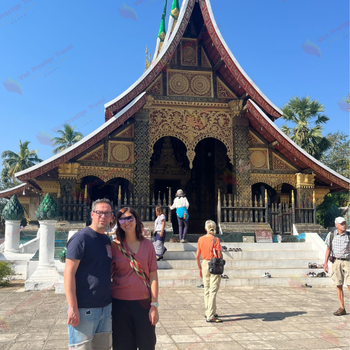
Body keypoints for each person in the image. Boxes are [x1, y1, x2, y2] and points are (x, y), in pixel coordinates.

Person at [64, 198, 114, 349]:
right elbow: (68, 273)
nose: (103, 216)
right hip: (85, 308)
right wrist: (72, 307)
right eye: (99, 213)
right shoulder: (81, 238)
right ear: (92, 214)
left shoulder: (106, 240)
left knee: (103, 347)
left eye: (107, 213)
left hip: (105, 307)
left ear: (112, 217)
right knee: (82, 347)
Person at [111, 207, 159, 350]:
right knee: (122, 345)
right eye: (122, 219)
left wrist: (154, 305)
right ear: (118, 223)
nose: (127, 222)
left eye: (130, 218)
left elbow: (153, 276)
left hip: (143, 303)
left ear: (136, 220)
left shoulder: (148, 245)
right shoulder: (114, 246)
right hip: (119, 303)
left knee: (147, 344)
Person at [196, 220, 223, 323]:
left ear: (205, 229)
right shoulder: (216, 239)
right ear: (214, 228)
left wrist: (199, 268)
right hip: (214, 264)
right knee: (213, 290)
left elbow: (197, 256)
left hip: (204, 263)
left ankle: (209, 311)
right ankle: (210, 315)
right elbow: (219, 255)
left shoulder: (201, 239)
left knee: (206, 289)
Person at [324, 216, 350, 316]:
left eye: (344, 223)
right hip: (336, 261)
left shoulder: (349, 235)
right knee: (338, 284)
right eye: (341, 224)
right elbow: (328, 249)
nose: (344, 225)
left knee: (349, 284)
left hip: (347, 261)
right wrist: (325, 263)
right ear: (336, 225)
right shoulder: (331, 235)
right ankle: (342, 307)